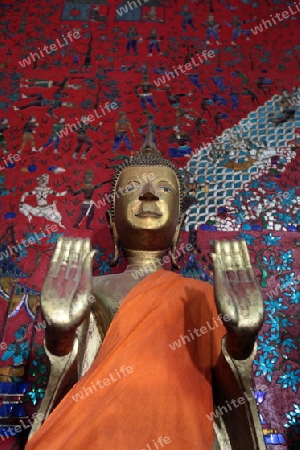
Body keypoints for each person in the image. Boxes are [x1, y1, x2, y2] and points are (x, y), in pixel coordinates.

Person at [26, 134, 265, 449]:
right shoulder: (89, 290)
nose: (149, 194)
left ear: (178, 228)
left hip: (181, 435)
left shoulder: (203, 295)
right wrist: (60, 333)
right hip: (96, 433)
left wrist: (241, 340)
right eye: (132, 189)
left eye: (164, 189)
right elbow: (73, 372)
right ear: (113, 225)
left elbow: (225, 388)